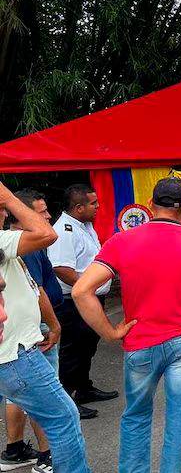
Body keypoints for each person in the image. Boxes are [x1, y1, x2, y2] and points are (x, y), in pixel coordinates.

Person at [72, 178, 181, 473]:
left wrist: (109, 332)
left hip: (140, 341)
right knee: (180, 418)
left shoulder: (121, 241)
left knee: (136, 416)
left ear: (150, 206)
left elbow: (81, 290)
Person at [0, 182, 90, 473]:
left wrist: (51, 325)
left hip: (20, 349)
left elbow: (31, 288)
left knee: (51, 412)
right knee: (63, 417)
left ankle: (19, 451)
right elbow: (46, 234)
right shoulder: (3, 240)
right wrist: (9, 196)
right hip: (16, 353)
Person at [1, 190, 62, 473]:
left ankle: (14, 449)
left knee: (19, 395)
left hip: (18, 339)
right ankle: (48, 455)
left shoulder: (12, 243)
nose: (48, 218)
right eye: (41, 212)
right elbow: (37, 290)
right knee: (52, 406)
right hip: (25, 338)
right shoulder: (18, 242)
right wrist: (52, 324)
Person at [47, 184, 116, 420]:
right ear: (78, 208)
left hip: (92, 297)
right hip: (75, 301)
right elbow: (61, 268)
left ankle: (84, 388)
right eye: (93, 203)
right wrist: (87, 286)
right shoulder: (64, 231)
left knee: (88, 345)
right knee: (73, 351)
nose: (98, 207)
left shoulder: (84, 226)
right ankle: (68, 400)